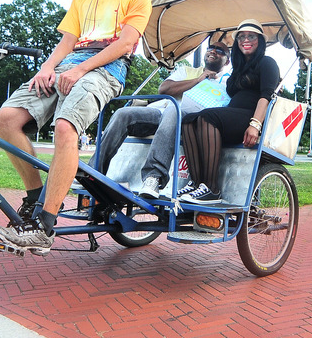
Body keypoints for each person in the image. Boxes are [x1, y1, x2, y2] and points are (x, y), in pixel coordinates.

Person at [0, 0, 151, 254]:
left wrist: (80, 70)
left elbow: (125, 43)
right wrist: (47, 68)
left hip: (107, 66)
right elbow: (67, 42)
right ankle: (35, 200)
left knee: (65, 126)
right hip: (70, 62)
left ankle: (44, 227)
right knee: (4, 119)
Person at [93, 40, 231, 198]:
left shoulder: (227, 81)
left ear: (227, 60)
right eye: (211, 48)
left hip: (190, 119)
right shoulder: (187, 71)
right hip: (162, 111)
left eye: (220, 51)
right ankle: (95, 170)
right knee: (123, 113)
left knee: (174, 110)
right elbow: (164, 89)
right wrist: (198, 80)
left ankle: (154, 177)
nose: (213, 51)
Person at [178, 19, 279, 203]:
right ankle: (196, 183)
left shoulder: (267, 63)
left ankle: (211, 189)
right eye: (241, 37)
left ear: (260, 40)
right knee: (188, 120)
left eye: (251, 36)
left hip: (251, 116)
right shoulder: (238, 69)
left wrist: (255, 125)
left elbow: (266, 96)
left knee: (208, 117)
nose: (245, 40)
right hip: (233, 115)